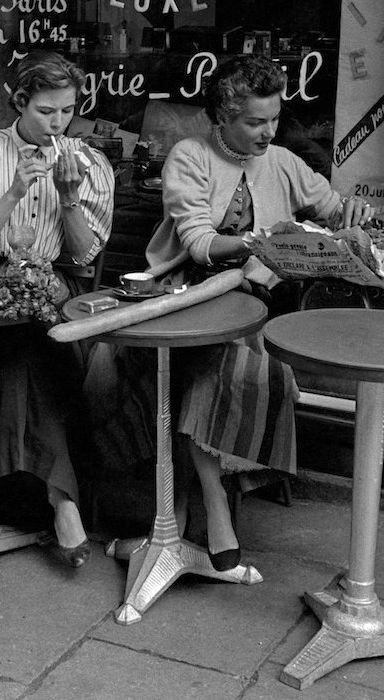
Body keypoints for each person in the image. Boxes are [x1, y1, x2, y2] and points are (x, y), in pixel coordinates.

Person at [143, 54, 372, 570]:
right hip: (184, 297)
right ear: (222, 116)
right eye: (254, 122)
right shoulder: (189, 156)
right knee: (211, 360)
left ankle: (204, 493)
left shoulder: (284, 162)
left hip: (254, 304)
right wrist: (262, 241)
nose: (268, 131)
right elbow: (199, 244)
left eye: (273, 119)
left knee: (228, 364)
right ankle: (216, 499)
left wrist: (351, 213)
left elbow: (333, 208)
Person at [0, 50, 114, 567]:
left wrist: (67, 198)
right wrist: (15, 190)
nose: (59, 122)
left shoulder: (87, 162)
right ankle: (62, 501)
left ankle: (53, 499)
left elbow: (85, 256)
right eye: (46, 111)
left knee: (31, 348)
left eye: (67, 110)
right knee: (24, 346)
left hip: (55, 293)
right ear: (19, 103)